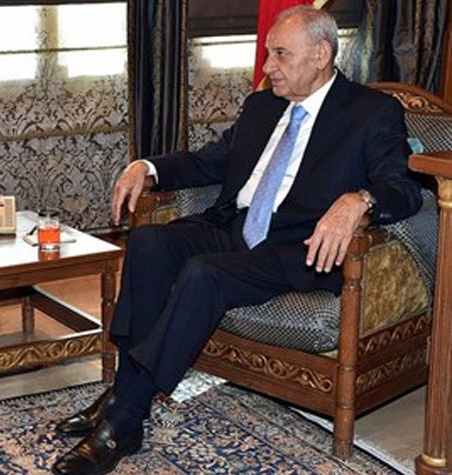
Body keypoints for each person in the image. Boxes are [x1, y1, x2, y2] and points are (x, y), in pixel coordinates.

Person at [51, 6, 422, 475]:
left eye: (281, 55)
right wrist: (147, 166)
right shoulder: (262, 106)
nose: (268, 67)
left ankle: (123, 418)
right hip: (235, 226)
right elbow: (212, 161)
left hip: (296, 247)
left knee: (203, 274)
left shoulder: (370, 112)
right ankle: (126, 392)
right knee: (146, 243)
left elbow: (405, 189)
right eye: (268, 54)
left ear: (321, 55)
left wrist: (359, 199)